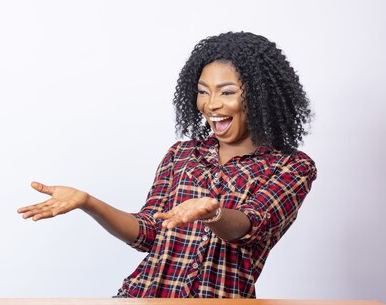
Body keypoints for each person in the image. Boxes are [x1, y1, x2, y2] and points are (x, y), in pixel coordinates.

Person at [17, 31, 317, 298]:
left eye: (226, 92)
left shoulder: (291, 167)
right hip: (143, 296)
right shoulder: (181, 155)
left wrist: (213, 214)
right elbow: (150, 231)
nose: (211, 104)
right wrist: (88, 202)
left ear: (262, 96)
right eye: (202, 91)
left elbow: (252, 226)